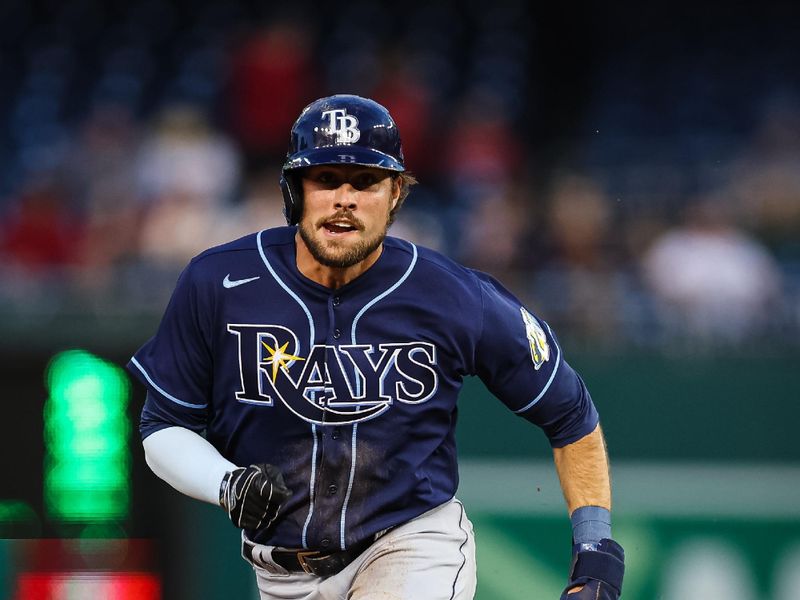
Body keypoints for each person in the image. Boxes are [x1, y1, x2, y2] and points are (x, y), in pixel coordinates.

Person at [128, 94, 625, 600]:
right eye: (325, 179)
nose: (345, 198)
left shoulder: (453, 296)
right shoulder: (221, 281)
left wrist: (594, 546)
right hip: (280, 575)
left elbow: (568, 413)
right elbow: (163, 425)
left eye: (365, 182)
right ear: (294, 192)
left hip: (411, 545)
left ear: (395, 196)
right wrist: (224, 482)